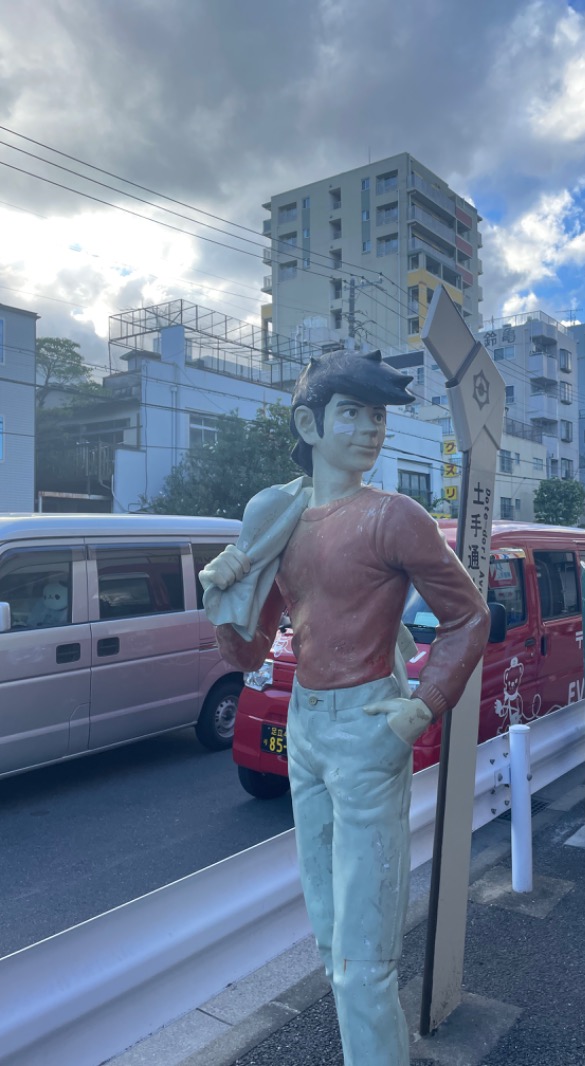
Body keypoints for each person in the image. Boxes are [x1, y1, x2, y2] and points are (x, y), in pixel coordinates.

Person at [200, 348, 490, 1066]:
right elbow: (246, 651)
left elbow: (468, 616)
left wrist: (418, 709)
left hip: (367, 725)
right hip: (306, 727)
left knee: (364, 954)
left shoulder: (395, 517)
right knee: (332, 941)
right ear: (311, 421)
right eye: (353, 413)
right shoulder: (279, 520)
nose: (370, 429)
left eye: (378, 415)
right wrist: (222, 592)